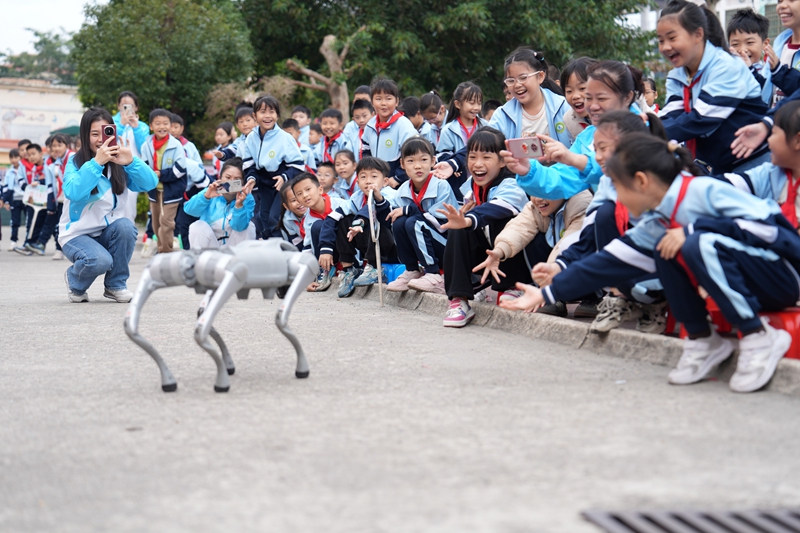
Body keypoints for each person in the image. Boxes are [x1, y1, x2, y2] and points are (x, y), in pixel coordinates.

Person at [502, 133, 799, 394]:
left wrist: (694, 230)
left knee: (694, 243)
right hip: (750, 283)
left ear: (642, 181)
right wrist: (546, 293)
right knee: (665, 246)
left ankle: (757, 336)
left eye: (619, 188)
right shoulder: (658, 219)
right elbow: (609, 261)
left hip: (785, 277)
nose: (616, 198)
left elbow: (775, 233)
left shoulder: (704, 191)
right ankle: (703, 340)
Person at [525, 111, 672, 332]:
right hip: (644, 254)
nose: (597, 157)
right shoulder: (608, 183)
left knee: (688, 249)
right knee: (605, 226)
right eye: (595, 150)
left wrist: (684, 233)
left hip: (686, 260)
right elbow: (589, 238)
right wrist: (557, 269)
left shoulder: (672, 179)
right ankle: (630, 298)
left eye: (603, 149)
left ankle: (672, 311)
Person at [434, 48, 571, 197]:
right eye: (511, 81)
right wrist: (453, 163)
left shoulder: (564, 107)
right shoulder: (503, 115)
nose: (517, 85)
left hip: (562, 182)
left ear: (540, 76)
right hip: (520, 188)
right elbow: (483, 143)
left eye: (523, 78)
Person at [657, 0, 769, 174]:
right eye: (660, 40)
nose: (665, 47)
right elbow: (674, 112)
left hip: (753, 161)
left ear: (698, 35)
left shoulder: (727, 67)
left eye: (672, 38)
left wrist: (649, 132)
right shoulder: (677, 75)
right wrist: (647, 125)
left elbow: (701, 118)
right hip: (719, 164)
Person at [60, 107, 158, 303]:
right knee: (100, 260)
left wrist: (131, 162)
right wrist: (96, 163)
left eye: (105, 132)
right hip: (76, 235)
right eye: (94, 134)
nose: (100, 139)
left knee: (126, 226)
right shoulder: (75, 162)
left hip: (107, 231)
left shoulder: (119, 162)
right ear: (85, 135)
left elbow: (150, 183)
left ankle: (115, 285)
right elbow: (73, 192)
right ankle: (75, 281)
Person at [510, 60, 645, 201]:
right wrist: (528, 170)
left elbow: (621, 168)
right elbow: (562, 180)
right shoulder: (587, 138)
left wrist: (575, 159)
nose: (593, 106)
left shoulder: (644, 129)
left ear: (627, 97)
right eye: (588, 98)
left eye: (601, 98)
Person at [438, 128, 528, 328]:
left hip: (519, 256)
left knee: (500, 219)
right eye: (472, 157)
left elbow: (500, 206)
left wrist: (469, 219)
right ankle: (459, 299)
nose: (477, 164)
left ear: (502, 161)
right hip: (488, 253)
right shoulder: (471, 185)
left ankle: (514, 286)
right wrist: (464, 220)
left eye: (486, 157)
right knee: (458, 227)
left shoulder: (513, 182)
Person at [318, 156, 399, 298]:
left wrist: (359, 223)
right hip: (369, 244)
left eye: (374, 176)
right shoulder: (357, 197)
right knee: (343, 220)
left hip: (392, 247)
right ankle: (348, 270)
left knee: (378, 217)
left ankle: (374, 268)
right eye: (363, 177)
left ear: (385, 181)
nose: (368, 181)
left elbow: (372, 208)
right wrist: (326, 248)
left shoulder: (390, 194)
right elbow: (332, 217)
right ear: (358, 181)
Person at [386, 137, 458, 294]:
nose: (417, 166)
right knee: (399, 222)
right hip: (423, 245)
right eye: (411, 161)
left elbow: (442, 224)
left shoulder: (441, 185)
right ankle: (412, 270)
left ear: (433, 161)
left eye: (423, 160)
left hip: (447, 246)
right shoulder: (402, 190)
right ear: (402, 164)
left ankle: (433, 274)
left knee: (413, 222)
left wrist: (410, 210)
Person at [241, 95, 305, 239]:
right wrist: (251, 178)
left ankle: (282, 247)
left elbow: (298, 165)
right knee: (263, 218)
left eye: (272, 111)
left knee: (274, 219)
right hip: (264, 183)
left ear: (277, 115)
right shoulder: (251, 137)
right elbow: (249, 164)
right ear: (254, 116)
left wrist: (284, 177)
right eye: (263, 112)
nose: (267, 116)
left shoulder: (285, 137)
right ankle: (269, 247)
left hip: (282, 184)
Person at [140, 108, 188, 254]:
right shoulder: (146, 145)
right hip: (154, 190)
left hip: (172, 190)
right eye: (158, 123)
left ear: (170, 125)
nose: (162, 127)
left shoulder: (176, 145)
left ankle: (166, 253)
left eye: (165, 123)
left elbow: (180, 169)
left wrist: (161, 174)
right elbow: (144, 167)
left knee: (167, 223)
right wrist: (149, 176)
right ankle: (162, 250)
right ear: (151, 126)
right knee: (156, 223)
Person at [291, 172, 348, 291]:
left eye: (308, 189)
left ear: (320, 189)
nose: (305, 195)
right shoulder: (307, 220)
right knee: (317, 226)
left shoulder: (340, 204)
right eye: (299, 194)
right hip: (326, 255)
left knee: (342, 221)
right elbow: (307, 249)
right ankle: (325, 270)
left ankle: (350, 267)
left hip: (347, 249)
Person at [184, 157, 256, 249]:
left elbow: (239, 227)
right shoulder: (210, 191)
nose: (231, 181)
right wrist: (206, 197)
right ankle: (201, 256)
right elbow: (190, 210)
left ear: (242, 182)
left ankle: (242, 257)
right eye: (228, 177)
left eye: (237, 179)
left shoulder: (247, 198)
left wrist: (239, 206)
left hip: (233, 246)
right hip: (211, 244)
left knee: (249, 226)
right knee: (197, 226)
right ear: (220, 177)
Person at [360, 78, 418, 187]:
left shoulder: (403, 125)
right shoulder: (370, 125)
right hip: (378, 183)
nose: (383, 103)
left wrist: (398, 178)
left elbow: (412, 155)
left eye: (388, 99)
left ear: (396, 102)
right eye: (378, 99)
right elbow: (365, 150)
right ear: (372, 102)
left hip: (400, 183)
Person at [30, 133, 74, 259]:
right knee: (58, 224)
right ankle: (57, 249)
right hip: (60, 199)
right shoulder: (54, 163)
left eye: (59, 145)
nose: (56, 148)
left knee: (66, 224)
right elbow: (51, 184)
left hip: (73, 198)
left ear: (67, 145)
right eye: (53, 146)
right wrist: (51, 203)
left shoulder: (73, 157)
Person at [726, 9, 772, 107]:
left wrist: (749, 69)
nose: (742, 50)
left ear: (765, 44)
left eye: (749, 42)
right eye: (735, 44)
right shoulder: (726, 69)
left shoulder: (767, 72)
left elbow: (763, 91)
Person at [437, 82, 488, 158]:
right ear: (457, 104)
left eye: (479, 103)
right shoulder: (448, 130)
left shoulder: (486, 126)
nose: (476, 107)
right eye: (472, 103)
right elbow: (443, 157)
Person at [15, 144, 46, 255]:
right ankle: (28, 245)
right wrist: (28, 188)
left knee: (44, 223)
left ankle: (42, 245)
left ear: (40, 153)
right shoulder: (28, 167)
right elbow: (22, 180)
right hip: (32, 199)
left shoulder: (47, 165)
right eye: (29, 155)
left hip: (46, 200)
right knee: (31, 222)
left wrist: (40, 182)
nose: (30, 156)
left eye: (33, 154)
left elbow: (50, 180)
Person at [113, 91, 150, 158]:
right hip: (114, 162)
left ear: (136, 107)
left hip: (135, 162)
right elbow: (108, 143)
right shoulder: (110, 122)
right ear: (118, 106)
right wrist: (121, 125)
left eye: (130, 106)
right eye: (124, 106)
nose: (127, 109)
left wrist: (136, 128)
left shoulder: (143, 126)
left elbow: (145, 150)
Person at [4, 149, 26, 251]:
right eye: (11, 157)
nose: (13, 160)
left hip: (26, 199)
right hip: (14, 199)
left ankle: (27, 243)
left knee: (28, 221)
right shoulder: (9, 172)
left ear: (20, 158)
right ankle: (13, 242)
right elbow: (6, 187)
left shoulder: (25, 169)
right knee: (15, 222)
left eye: (16, 157)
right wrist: (6, 201)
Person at [277, 180, 307, 251]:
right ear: (286, 206)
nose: (299, 202)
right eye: (293, 200)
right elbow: (296, 241)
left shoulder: (314, 212)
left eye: (300, 196)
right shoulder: (287, 219)